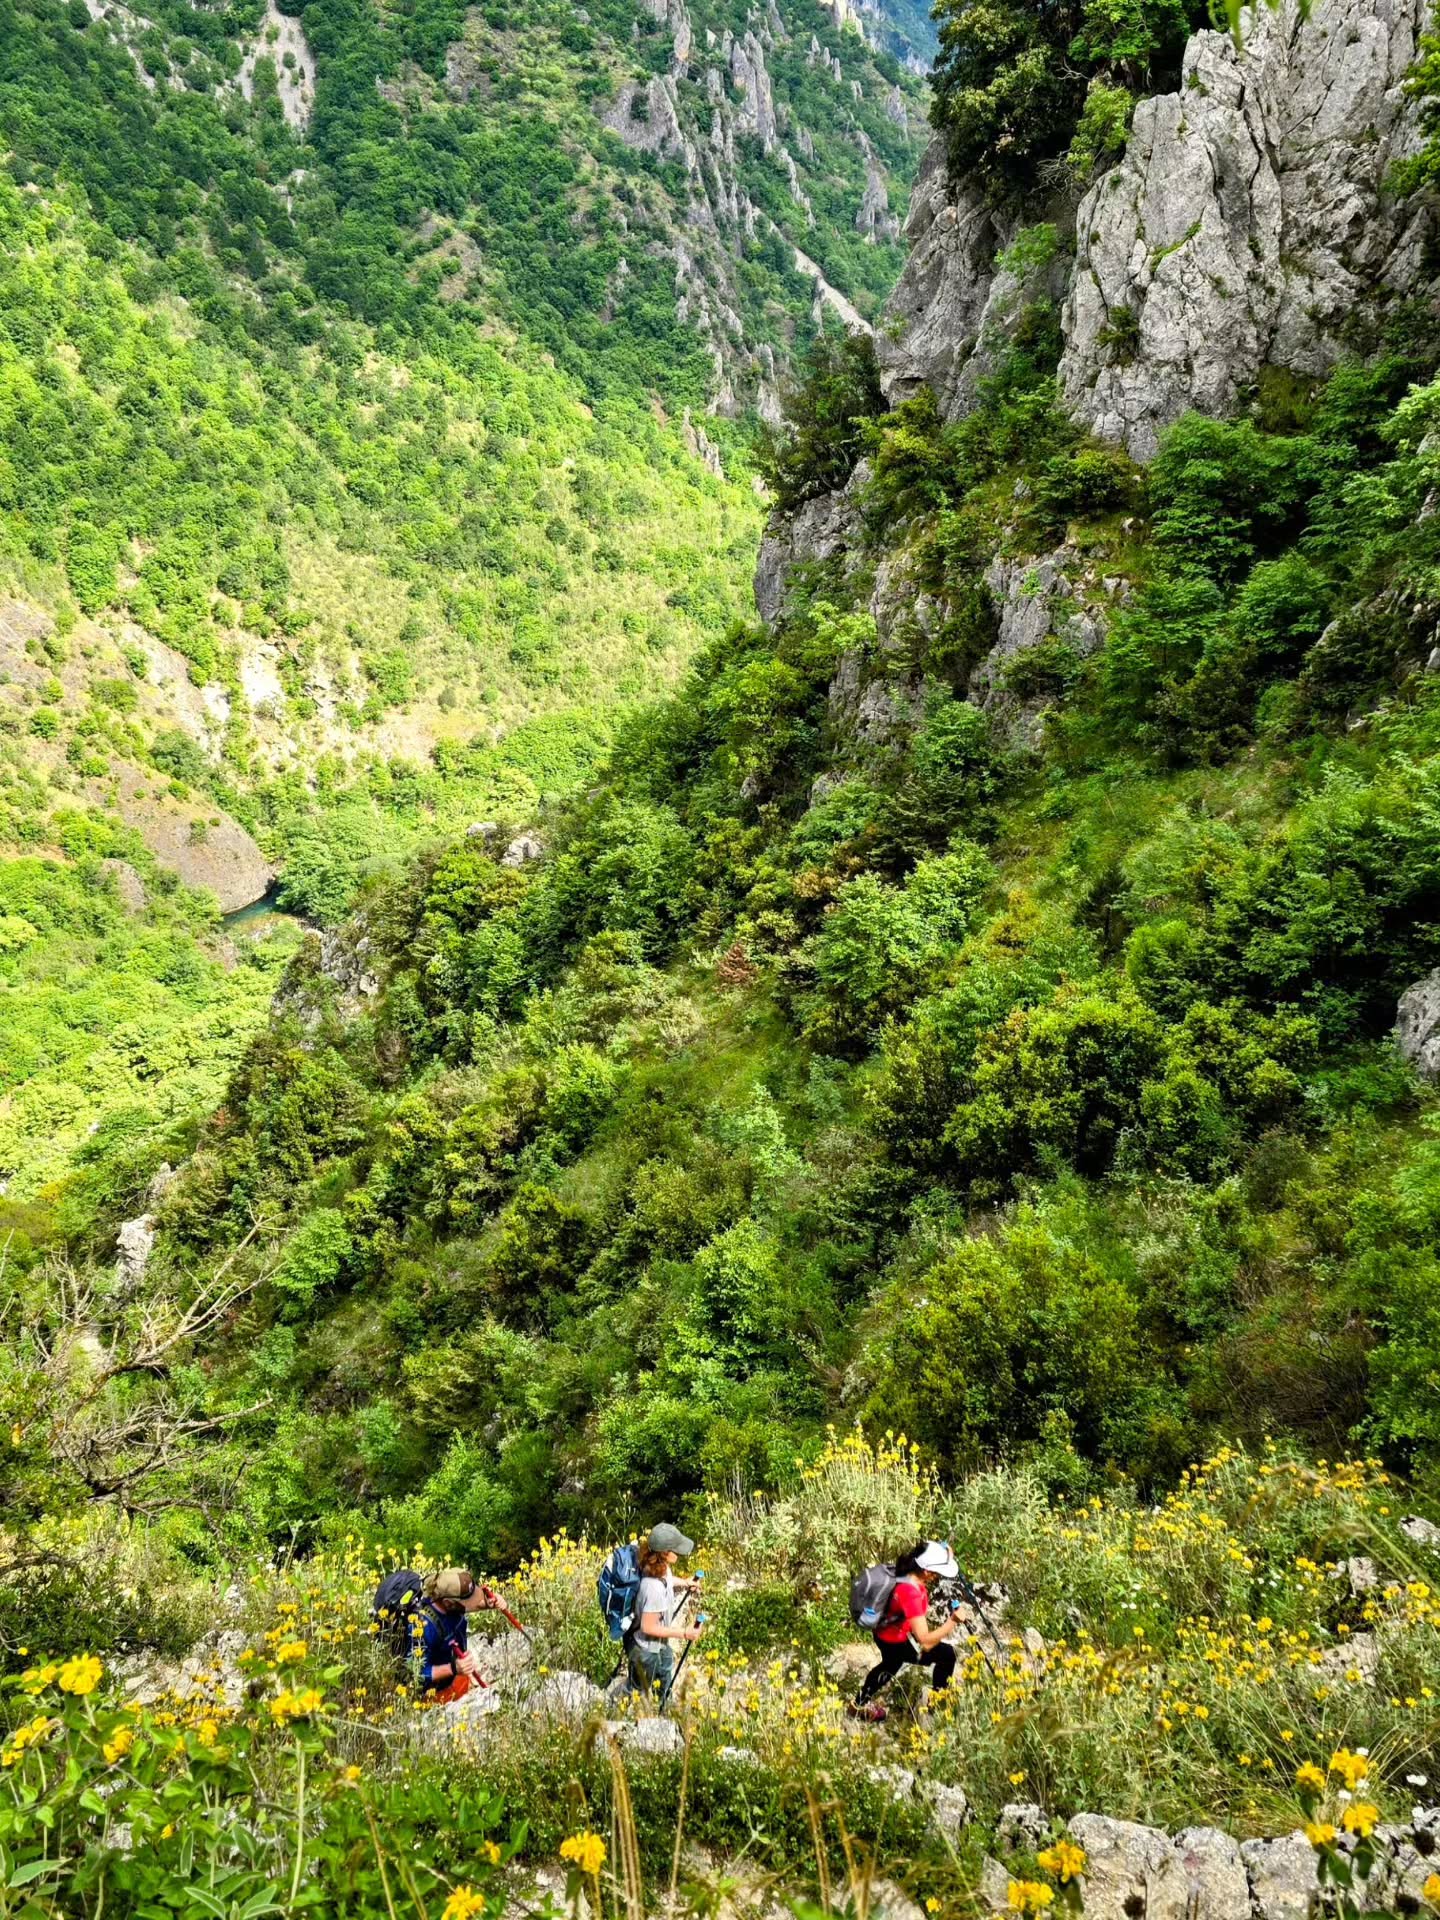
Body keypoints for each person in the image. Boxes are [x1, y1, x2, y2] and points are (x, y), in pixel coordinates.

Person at [850, 1540, 961, 1721]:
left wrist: (945, 1555)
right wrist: (953, 1621)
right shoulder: (910, 1593)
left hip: (883, 1632)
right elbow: (925, 1642)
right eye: (937, 1572)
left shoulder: (905, 1571)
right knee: (947, 1655)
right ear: (927, 1571)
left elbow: (925, 1551)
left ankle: (859, 1704)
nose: (938, 1576)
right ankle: (936, 1708)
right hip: (896, 1641)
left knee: (890, 1665)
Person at [626, 1522, 703, 1706]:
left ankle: (664, 1707)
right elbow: (648, 1627)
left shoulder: (660, 1567)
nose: (679, 1553)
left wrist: (685, 1582)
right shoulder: (652, 1587)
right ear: (664, 1553)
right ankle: (631, 1716)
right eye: (676, 1549)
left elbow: (667, 1580)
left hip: (660, 1645)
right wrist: (684, 1633)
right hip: (645, 1651)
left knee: (665, 1673)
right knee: (639, 1695)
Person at [417, 1567, 501, 1702]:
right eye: (465, 1602)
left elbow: (468, 1605)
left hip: (457, 1672)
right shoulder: (423, 1627)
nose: (470, 1604)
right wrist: (453, 1668)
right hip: (434, 1693)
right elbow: (417, 1674)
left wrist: (489, 1603)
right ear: (447, 1602)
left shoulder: (451, 1605)